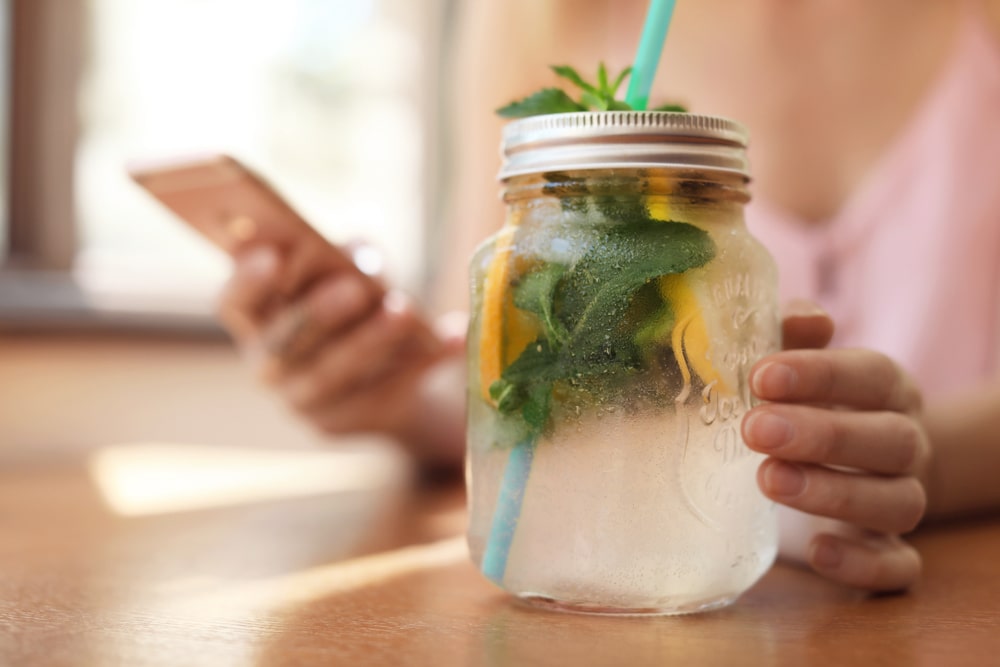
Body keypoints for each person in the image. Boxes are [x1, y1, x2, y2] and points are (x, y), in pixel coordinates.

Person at [216, 0, 1000, 593]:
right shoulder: (533, 13)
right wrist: (386, 385)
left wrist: (932, 454)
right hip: (616, 575)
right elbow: (512, 371)